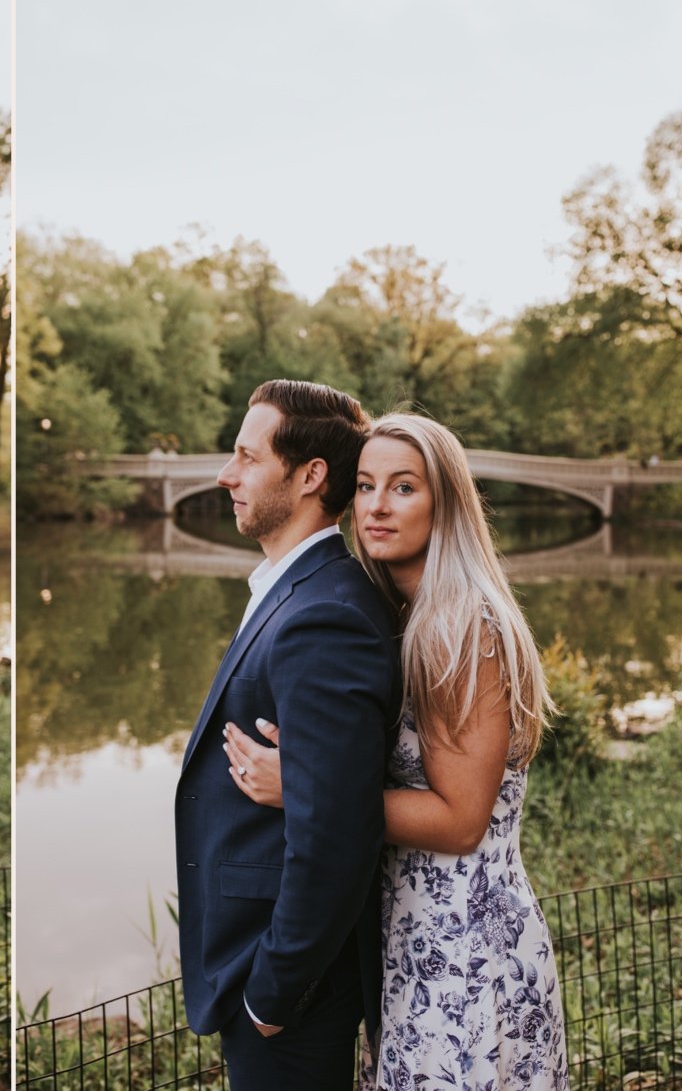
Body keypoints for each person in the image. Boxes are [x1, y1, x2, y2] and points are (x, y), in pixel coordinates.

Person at [224, 412, 570, 1089]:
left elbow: (461, 820)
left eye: (404, 487)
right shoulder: (399, 616)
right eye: (366, 486)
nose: (377, 505)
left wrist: (307, 789)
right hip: (412, 940)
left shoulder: (459, 628)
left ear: (446, 503)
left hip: (463, 944)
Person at [175, 380, 402, 1089]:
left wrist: (272, 993)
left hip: (288, 989)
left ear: (309, 477)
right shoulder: (290, 588)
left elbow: (334, 832)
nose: (226, 474)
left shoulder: (324, 615)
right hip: (257, 966)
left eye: (247, 457)